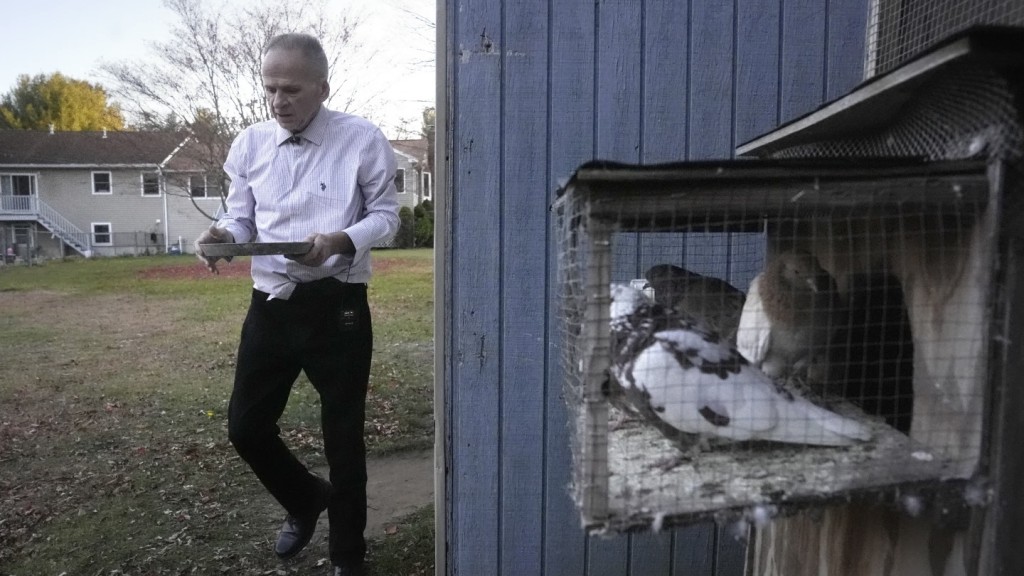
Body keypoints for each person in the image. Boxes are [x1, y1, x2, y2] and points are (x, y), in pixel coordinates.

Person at [194, 32, 400, 576]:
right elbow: (242, 217)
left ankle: (348, 556)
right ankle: (306, 497)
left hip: (339, 307)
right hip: (271, 304)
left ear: (322, 87)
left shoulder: (362, 139)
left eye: (291, 89)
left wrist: (339, 240)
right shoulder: (250, 144)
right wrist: (223, 233)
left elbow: (386, 215)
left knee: (344, 437)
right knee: (245, 427)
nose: (278, 101)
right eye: (270, 89)